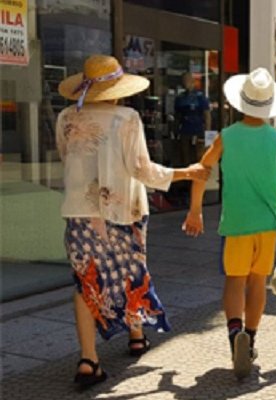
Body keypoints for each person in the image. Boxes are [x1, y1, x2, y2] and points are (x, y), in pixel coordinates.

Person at [56, 55, 209, 389]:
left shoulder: (66, 116)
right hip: (123, 211)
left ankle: (88, 360)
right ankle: (137, 337)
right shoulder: (127, 117)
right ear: (118, 88)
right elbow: (142, 169)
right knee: (131, 272)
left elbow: (66, 157)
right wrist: (185, 172)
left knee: (87, 283)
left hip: (80, 213)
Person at [182, 68, 276, 380]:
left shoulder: (227, 137)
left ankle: (234, 331)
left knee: (234, 280)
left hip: (235, 223)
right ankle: (249, 338)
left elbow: (201, 169)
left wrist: (195, 210)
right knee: (257, 281)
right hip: (266, 224)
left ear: (240, 104)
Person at [174, 72, 211, 167]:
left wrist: (208, 135)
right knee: (186, 156)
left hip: (198, 129)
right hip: (185, 130)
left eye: (188, 80)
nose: (185, 83)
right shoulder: (180, 98)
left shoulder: (200, 97)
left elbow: (207, 116)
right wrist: (175, 131)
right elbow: (177, 116)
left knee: (199, 156)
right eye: (184, 81)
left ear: (192, 81)